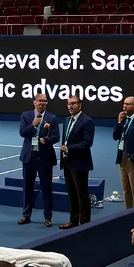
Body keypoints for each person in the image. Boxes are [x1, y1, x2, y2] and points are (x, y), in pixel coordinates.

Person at [18, 93, 60, 227]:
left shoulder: (52, 118)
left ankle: (48, 217)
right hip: (29, 156)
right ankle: (26, 215)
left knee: (46, 188)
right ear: (34, 102)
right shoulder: (26, 115)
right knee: (27, 187)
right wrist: (33, 124)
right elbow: (23, 133)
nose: (42, 103)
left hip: (45, 156)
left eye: (45, 101)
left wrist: (46, 140)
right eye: (40, 101)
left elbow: (56, 137)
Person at [59, 95, 96, 229]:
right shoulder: (67, 120)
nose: (70, 106)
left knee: (82, 195)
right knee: (72, 194)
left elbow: (87, 143)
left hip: (80, 163)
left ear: (80, 105)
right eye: (68, 104)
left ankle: (84, 224)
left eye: (73, 103)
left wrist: (69, 148)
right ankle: (73, 221)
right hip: (67, 162)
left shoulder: (87, 121)